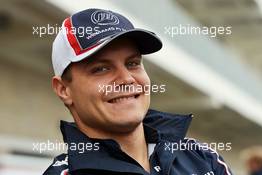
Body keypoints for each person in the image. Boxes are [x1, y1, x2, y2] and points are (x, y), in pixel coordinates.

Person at [43, 8, 233, 175]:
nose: (126, 78)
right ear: (63, 90)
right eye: (101, 68)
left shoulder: (202, 157)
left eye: (132, 63)